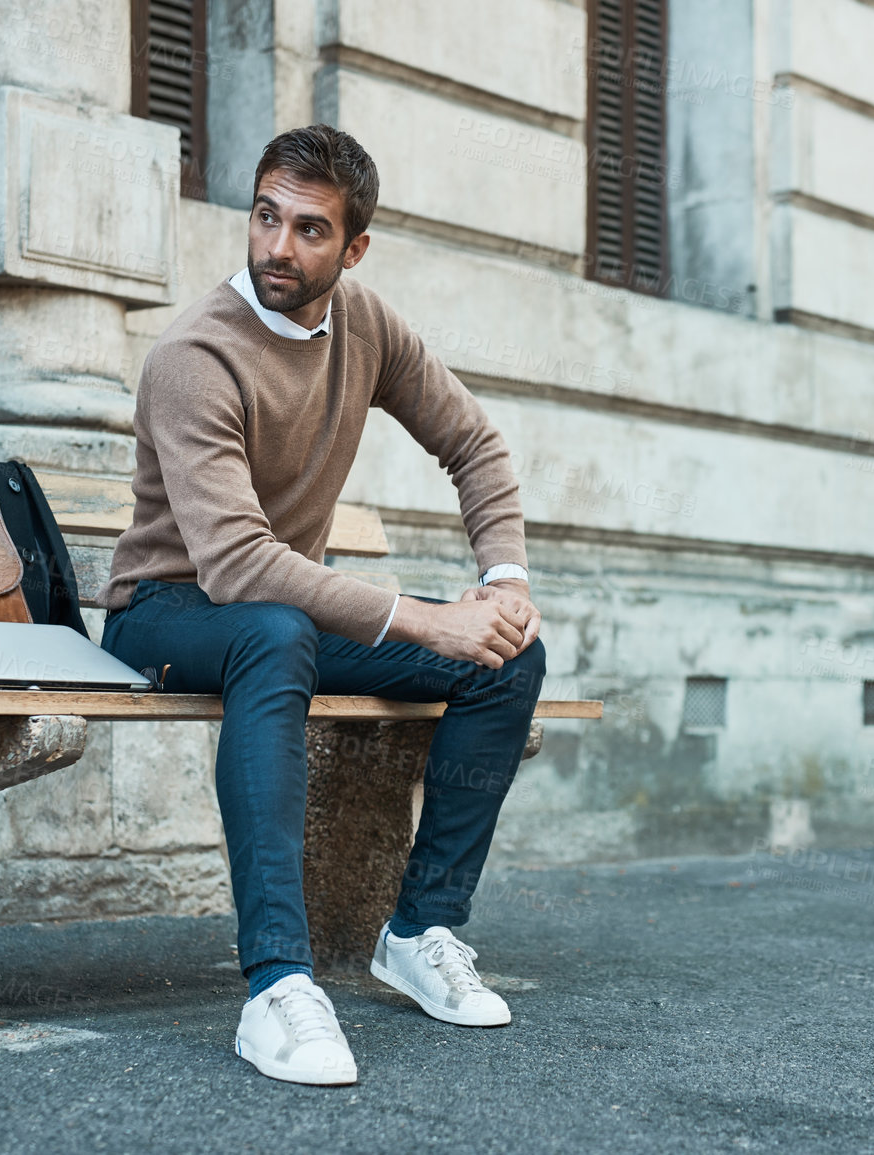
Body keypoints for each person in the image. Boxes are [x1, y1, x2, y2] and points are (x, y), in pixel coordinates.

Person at [100, 124, 546, 1087]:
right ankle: (276, 985)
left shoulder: (367, 328)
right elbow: (236, 566)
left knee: (505, 656)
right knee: (272, 628)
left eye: (309, 230)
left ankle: (421, 928)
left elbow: (475, 446)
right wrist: (428, 617)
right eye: (266, 217)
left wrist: (502, 584)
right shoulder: (194, 356)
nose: (277, 247)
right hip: (168, 613)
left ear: (352, 250)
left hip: (283, 620)